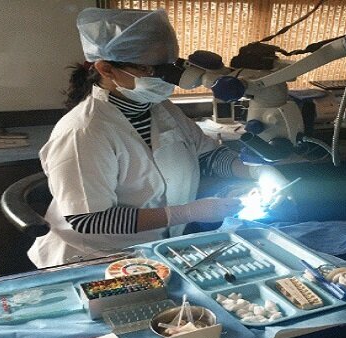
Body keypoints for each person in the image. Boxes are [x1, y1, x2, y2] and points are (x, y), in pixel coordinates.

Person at [28, 8, 288, 268]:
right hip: (95, 258)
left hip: (156, 249)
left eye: (169, 67)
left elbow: (208, 156)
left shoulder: (161, 109)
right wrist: (188, 212)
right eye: (149, 68)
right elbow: (88, 219)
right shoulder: (83, 131)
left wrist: (256, 171)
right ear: (106, 69)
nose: (165, 78)